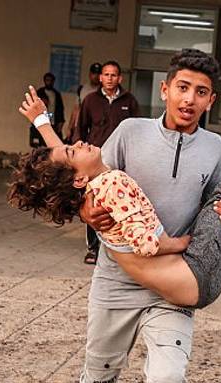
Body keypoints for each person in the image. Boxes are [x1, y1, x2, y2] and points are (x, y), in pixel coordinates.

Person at [9, 86, 221, 308]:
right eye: (72, 148)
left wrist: (41, 121)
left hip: (190, 280)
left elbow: (61, 165)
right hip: (195, 274)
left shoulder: (93, 185)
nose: (78, 143)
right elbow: (148, 243)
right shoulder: (112, 186)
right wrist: (181, 242)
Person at [74, 49, 221, 383]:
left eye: (200, 92)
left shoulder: (214, 147)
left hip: (172, 283)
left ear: (211, 100)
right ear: (165, 89)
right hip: (115, 282)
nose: (189, 99)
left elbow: (211, 210)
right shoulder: (129, 132)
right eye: (183, 87)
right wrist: (85, 214)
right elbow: (93, 188)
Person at [71, 60, 141, 264]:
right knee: (93, 204)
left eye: (114, 75)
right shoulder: (91, 100)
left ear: (120, 78)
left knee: (120, 204)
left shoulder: (130, 101)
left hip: (120, 163)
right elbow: (80, 129)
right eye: (106, 75)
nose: (110, 78)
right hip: (94, 163)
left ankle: (116, 246)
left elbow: (136, 132)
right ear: (100, 78)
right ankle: (93, 248)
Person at [67, 62, 102, 139]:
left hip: (95, 128)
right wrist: (70, 128)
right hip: (79, 127)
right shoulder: (82, 89)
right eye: (94, 73)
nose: (96, 76)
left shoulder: (104, 91)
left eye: (98, 74)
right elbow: (76, 109)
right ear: (90, 74)